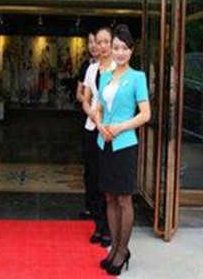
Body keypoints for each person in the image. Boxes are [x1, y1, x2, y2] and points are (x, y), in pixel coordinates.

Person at [94, 24, 151, 275]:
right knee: (109, 197)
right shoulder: (105, 76)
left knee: (124, 199)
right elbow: (97, 108)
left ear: (131, 50)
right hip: (104, 142)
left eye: (124, 48)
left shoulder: (137, 77)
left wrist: (119, 127)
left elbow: (145, 114)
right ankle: (114, 247)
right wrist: (100, 125)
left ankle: (122, 250)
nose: (119, 52)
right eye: (116, 48)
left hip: (125, 144)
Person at [81, 26, 116, 247]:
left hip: (109, 130)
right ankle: (98, 224)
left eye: (105, 42)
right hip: (91, 127)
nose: (101, 46)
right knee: (93, 177)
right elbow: (85, 99)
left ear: (112, 44)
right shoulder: (92, 69)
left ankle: (108, 227)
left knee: (107, 179)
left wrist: (103, 119)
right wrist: (92, 114)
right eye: (98, 42)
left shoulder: (117, 69)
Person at [75, 29, 99, 220]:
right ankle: (90, 207)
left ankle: (103, 212)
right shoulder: (87, 67)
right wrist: (88, 104)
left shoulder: (113, 67)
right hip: (89, 120)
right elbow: (79, 92)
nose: (94, 46)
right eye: (90, 42)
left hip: (107, 125)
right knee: (90, 167)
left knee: (103, 169)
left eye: (98, 41)